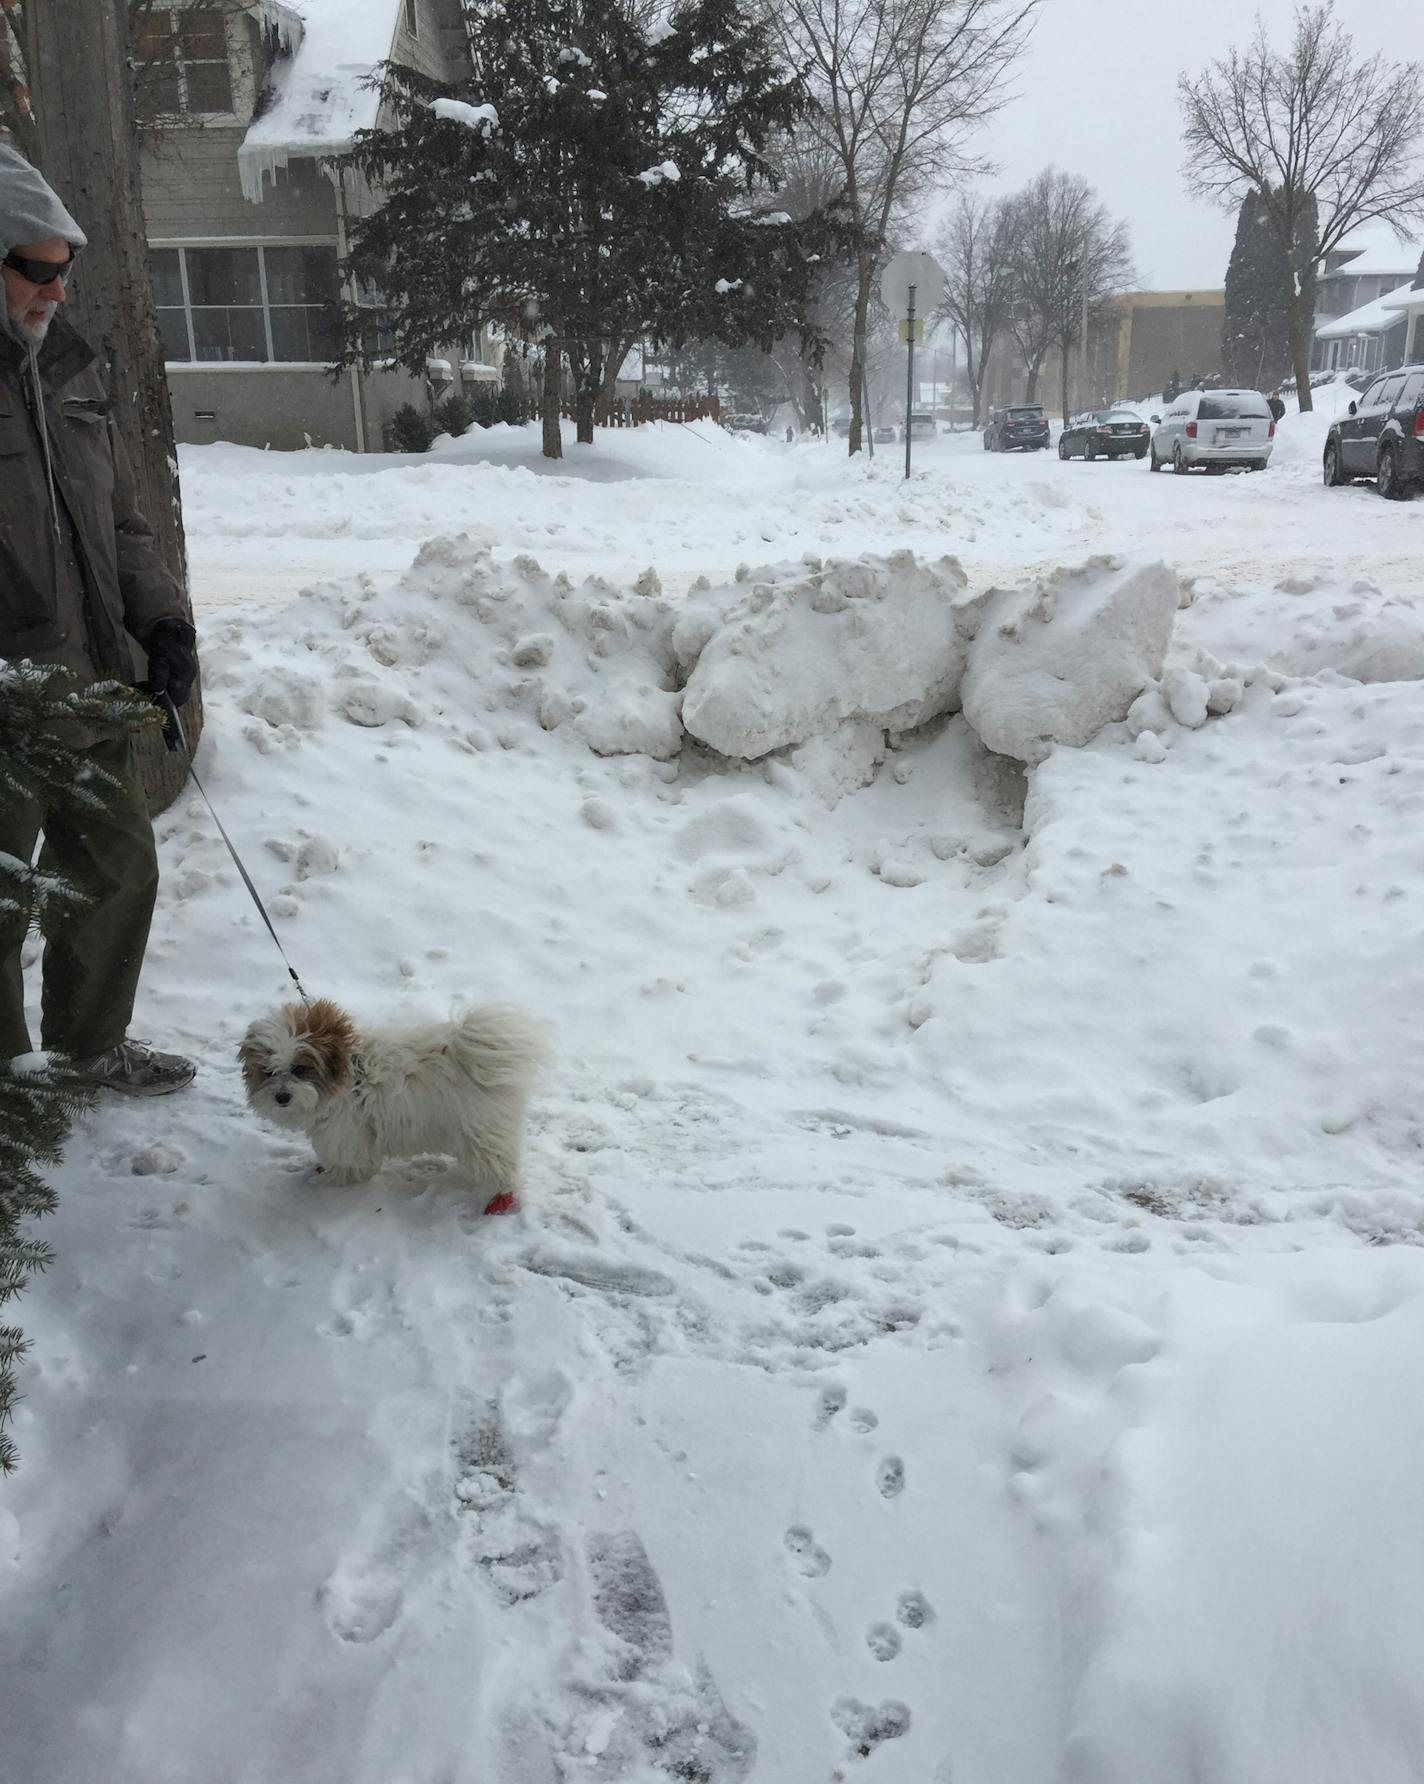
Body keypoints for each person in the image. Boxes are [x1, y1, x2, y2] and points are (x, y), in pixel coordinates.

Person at [0, 145, 197, 1094]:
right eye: (36, 268)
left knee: (116, 870)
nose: (56, 292)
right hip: (6, 700)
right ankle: (12, 1099)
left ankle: (86, 1049)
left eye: (64, 270)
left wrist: (163, 623)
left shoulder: (69, 369)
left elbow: (122, 518)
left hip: (91, 682)